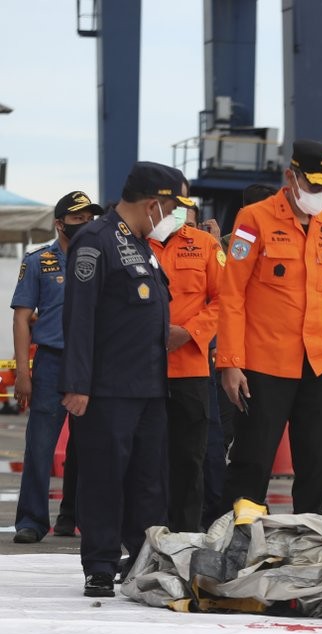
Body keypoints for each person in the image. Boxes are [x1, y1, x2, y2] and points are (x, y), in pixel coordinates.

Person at [61, 162, 192, 597]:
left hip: (150, 386)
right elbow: (79, 318)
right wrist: (77, 383)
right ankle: (99, 565)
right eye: (174, 206)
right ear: (155, 203)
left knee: (149, 480)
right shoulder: (95, 241)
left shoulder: (144, 245)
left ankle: (141, 559)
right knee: (103, 476)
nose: (176, 215)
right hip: (108, 387)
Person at [216, 139, 322, 515]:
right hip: (265, 364)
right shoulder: (253, 220)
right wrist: (230, 362)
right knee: (253, 459)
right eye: (314, 186)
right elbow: (231, 294)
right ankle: (243, 535)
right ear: (290, 177)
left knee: (321, 457)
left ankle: (310, 534)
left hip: (321, 360)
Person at [11, 191, 103, 543]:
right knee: (40, 444)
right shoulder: (39, 262)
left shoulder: (101, 260)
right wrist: (23, 372)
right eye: (78, 219)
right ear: (60, 223)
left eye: (89, 218)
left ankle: (81, 519)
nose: (86, 224)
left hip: (93, 362)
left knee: (93, 445)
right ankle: (32, 521)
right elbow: (22, 319)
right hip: (51, 360)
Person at [148, 201, 224, 532]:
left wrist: (190, 332)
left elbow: (225, 300)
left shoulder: (205, 246)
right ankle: (143, 541)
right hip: (140, 370)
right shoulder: (132, 244)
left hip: (190, 370)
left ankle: (187, 539)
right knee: (144, 463)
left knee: (189, 462)